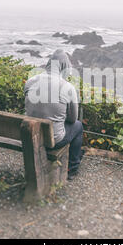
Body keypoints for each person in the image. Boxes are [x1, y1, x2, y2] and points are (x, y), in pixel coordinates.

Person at [24, 49, 83, 180]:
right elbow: (73, 119)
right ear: (64, 67)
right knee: (78, 126)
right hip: (53, 140)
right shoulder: (68, 88)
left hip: (29, 135)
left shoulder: (30, 81)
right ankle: (72, 169)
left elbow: (30, 107)